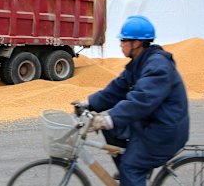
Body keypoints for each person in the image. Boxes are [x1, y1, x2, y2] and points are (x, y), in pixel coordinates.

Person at [73, 15, 189, 186]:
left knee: (130, 166)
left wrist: (109, 119)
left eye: (123, 40)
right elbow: (117, 88)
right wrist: (89, 104)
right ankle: (132, 175)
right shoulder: (140, 62)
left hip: (164, 131)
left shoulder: (158, 66)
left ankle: (132, 172)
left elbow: (141, 100)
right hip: (151, 124)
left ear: (136, 43)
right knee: (113, 130)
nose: (120, 44)